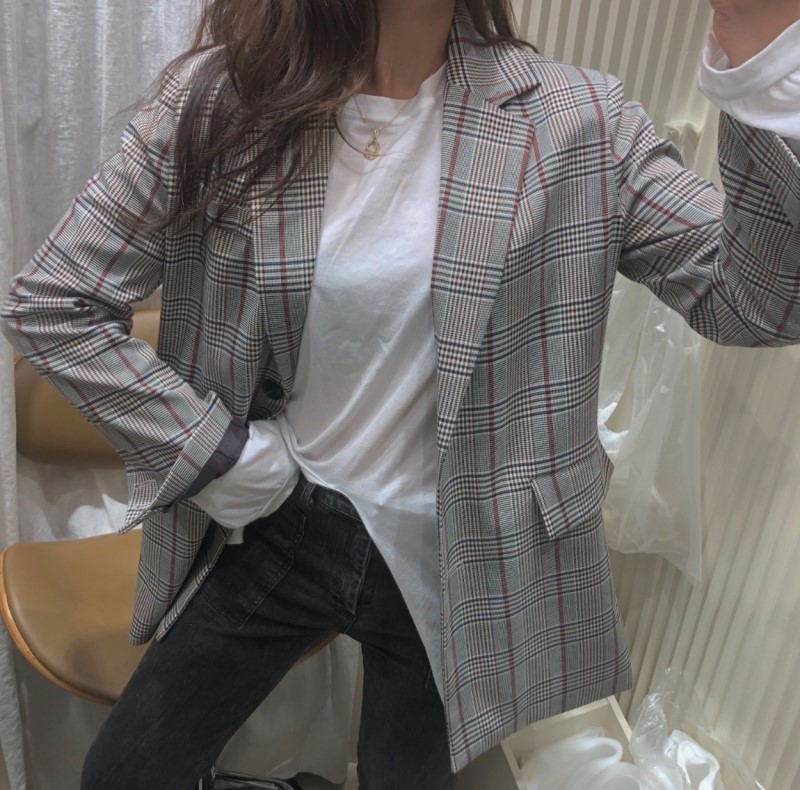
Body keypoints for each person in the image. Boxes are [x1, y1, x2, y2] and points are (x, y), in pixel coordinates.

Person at [2, 0, 799, 788]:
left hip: (464, 552)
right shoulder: (226, 102)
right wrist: (216, 454)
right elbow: (53, 301)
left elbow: (759, 304)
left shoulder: (580, 122)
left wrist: (758, 60)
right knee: (127, 772)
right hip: (283, 518)